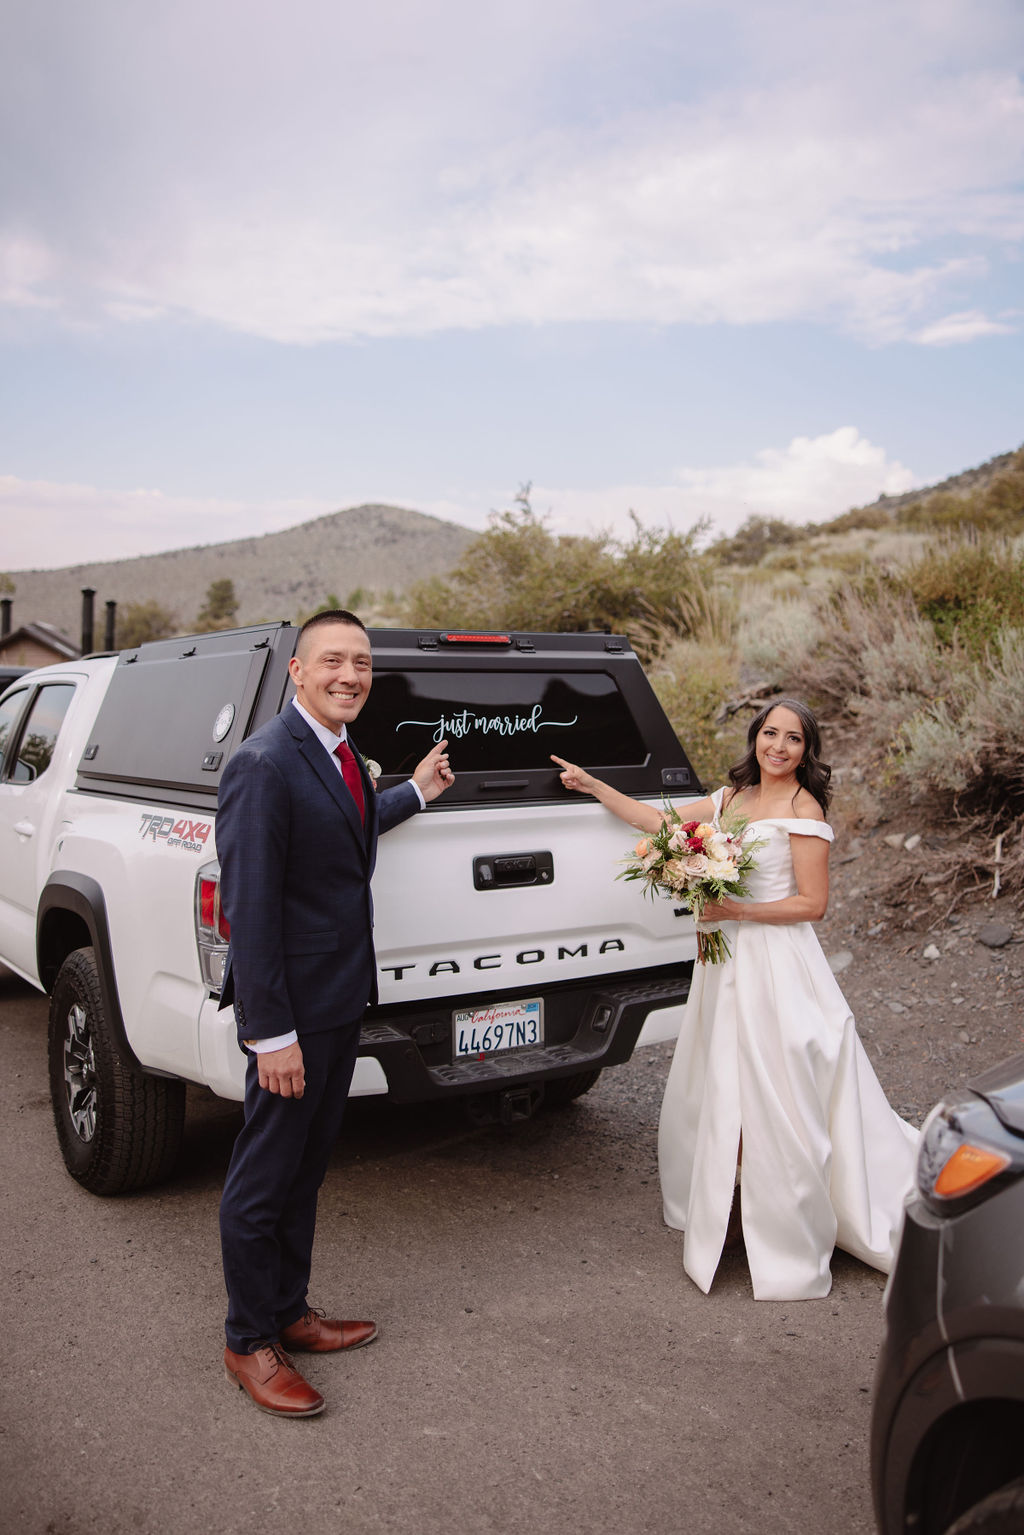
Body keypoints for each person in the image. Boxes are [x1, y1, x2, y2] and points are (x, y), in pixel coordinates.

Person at [552, 698, 919, 1301]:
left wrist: (736, 909)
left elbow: (812, 905)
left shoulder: (805, 810)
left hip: (777, 965)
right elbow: (659, 823)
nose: (778, 746)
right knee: (722, 1077)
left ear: (808, 750)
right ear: (755, 739)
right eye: (769, 733)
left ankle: (786, 1218)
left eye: (793, 738)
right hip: (722, 964)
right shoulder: (729, 800)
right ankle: (736, 1201)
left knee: (778, 1082)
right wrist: (595, 786)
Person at [216, 610, 454, 1415]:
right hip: (291, 1018)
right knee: (263, 1176)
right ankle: (248, 1339)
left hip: (340, 999)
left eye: (361, 663)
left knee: (307, 1168)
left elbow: (348, 832)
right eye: (332, 661)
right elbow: (248, 911)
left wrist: (413, 793)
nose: (349, 674)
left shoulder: (344, 754)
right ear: (297, 670)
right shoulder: (263, 763)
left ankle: (289, 1309)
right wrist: (269, 1031)